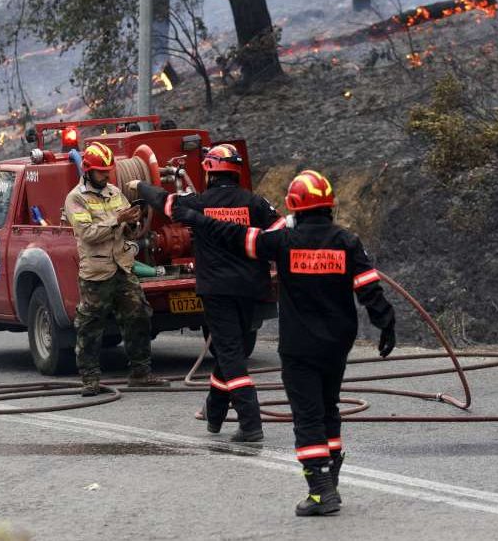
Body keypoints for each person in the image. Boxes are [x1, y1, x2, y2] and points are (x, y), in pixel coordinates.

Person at [166, 169, 396, 517]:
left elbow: (234, 235)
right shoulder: (347, 242)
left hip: (299, 346)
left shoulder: (283, 243)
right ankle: (330, 477)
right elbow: (369, 289)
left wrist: (195, 217)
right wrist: (386, 325)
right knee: (329, 408)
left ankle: (320, 492)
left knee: (308, 416)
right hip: (337, 345)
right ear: (329, 205)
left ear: (295, 207)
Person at [130, 143, 281, 443]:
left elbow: (166, 202)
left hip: (218, 291)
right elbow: (279, 231)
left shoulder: (199, 203)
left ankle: (250, 423)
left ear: (210, 173)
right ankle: (215, 412)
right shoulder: (255, 203)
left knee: (231, 355)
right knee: (230, 350)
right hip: (250, 290)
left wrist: (139, 186)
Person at [63, 141, 170, 396]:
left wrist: (132, 223)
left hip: (123, 268)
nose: (106, 176)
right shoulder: (76, 198)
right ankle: (90, 379)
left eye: (108, 171)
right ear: (88, 170)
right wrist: (118, 219)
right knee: (91, 325)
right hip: (97, 272)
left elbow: (127, 232)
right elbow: (88, 233)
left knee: (139, 315)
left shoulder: (114, 192)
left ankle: (140, 373)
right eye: (101, 172)